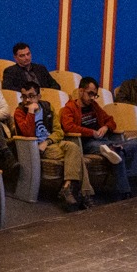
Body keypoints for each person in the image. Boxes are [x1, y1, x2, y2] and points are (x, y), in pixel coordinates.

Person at [62, 77, 137, 200]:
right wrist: (91, 132)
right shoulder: (69, 108)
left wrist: (105, 127)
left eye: (95, 95)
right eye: (90, 94)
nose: (92, 98)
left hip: (104, 141)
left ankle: (117, 147)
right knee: (117, 153)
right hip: (87, 143)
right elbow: (69, 127)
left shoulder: (94, 106)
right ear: (80, 91)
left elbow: (111, 121)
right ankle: (124, 191)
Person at [13, 81, 93, 210]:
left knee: (72, 148)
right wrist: (31, 112)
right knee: (75, 151)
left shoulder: (47, 107)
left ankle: (68, 186)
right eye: (24, 96)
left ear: (39, 97)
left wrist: (48, 141)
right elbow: (27, 133)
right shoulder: (20, 111)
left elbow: (59, 131)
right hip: (35, 147)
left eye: (31, 96)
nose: (27, 100)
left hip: (50, 143)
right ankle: (84, 194)